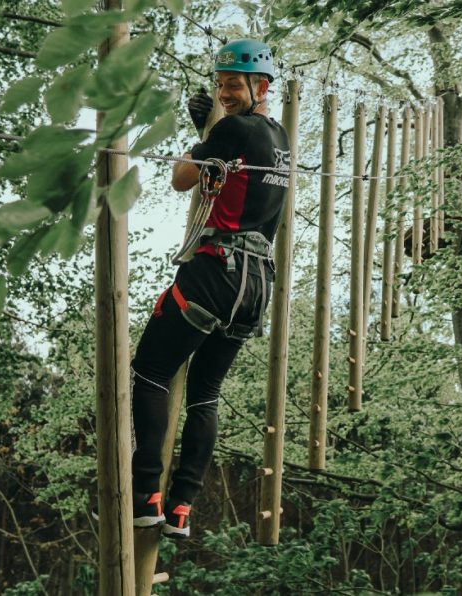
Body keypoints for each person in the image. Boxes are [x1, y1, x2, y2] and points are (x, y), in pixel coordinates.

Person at [128, 39, 290, 539]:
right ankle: (182, 508)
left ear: (261, 86)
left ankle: (145, 495)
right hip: (258, 282)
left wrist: (200, 136)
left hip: (215, 272)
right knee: (205, 391)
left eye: (234, 85)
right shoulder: (279, 137)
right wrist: (211, 129)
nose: (224, 93)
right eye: (220, 85)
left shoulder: (233, 129)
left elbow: (182, 180)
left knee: (151, 370)